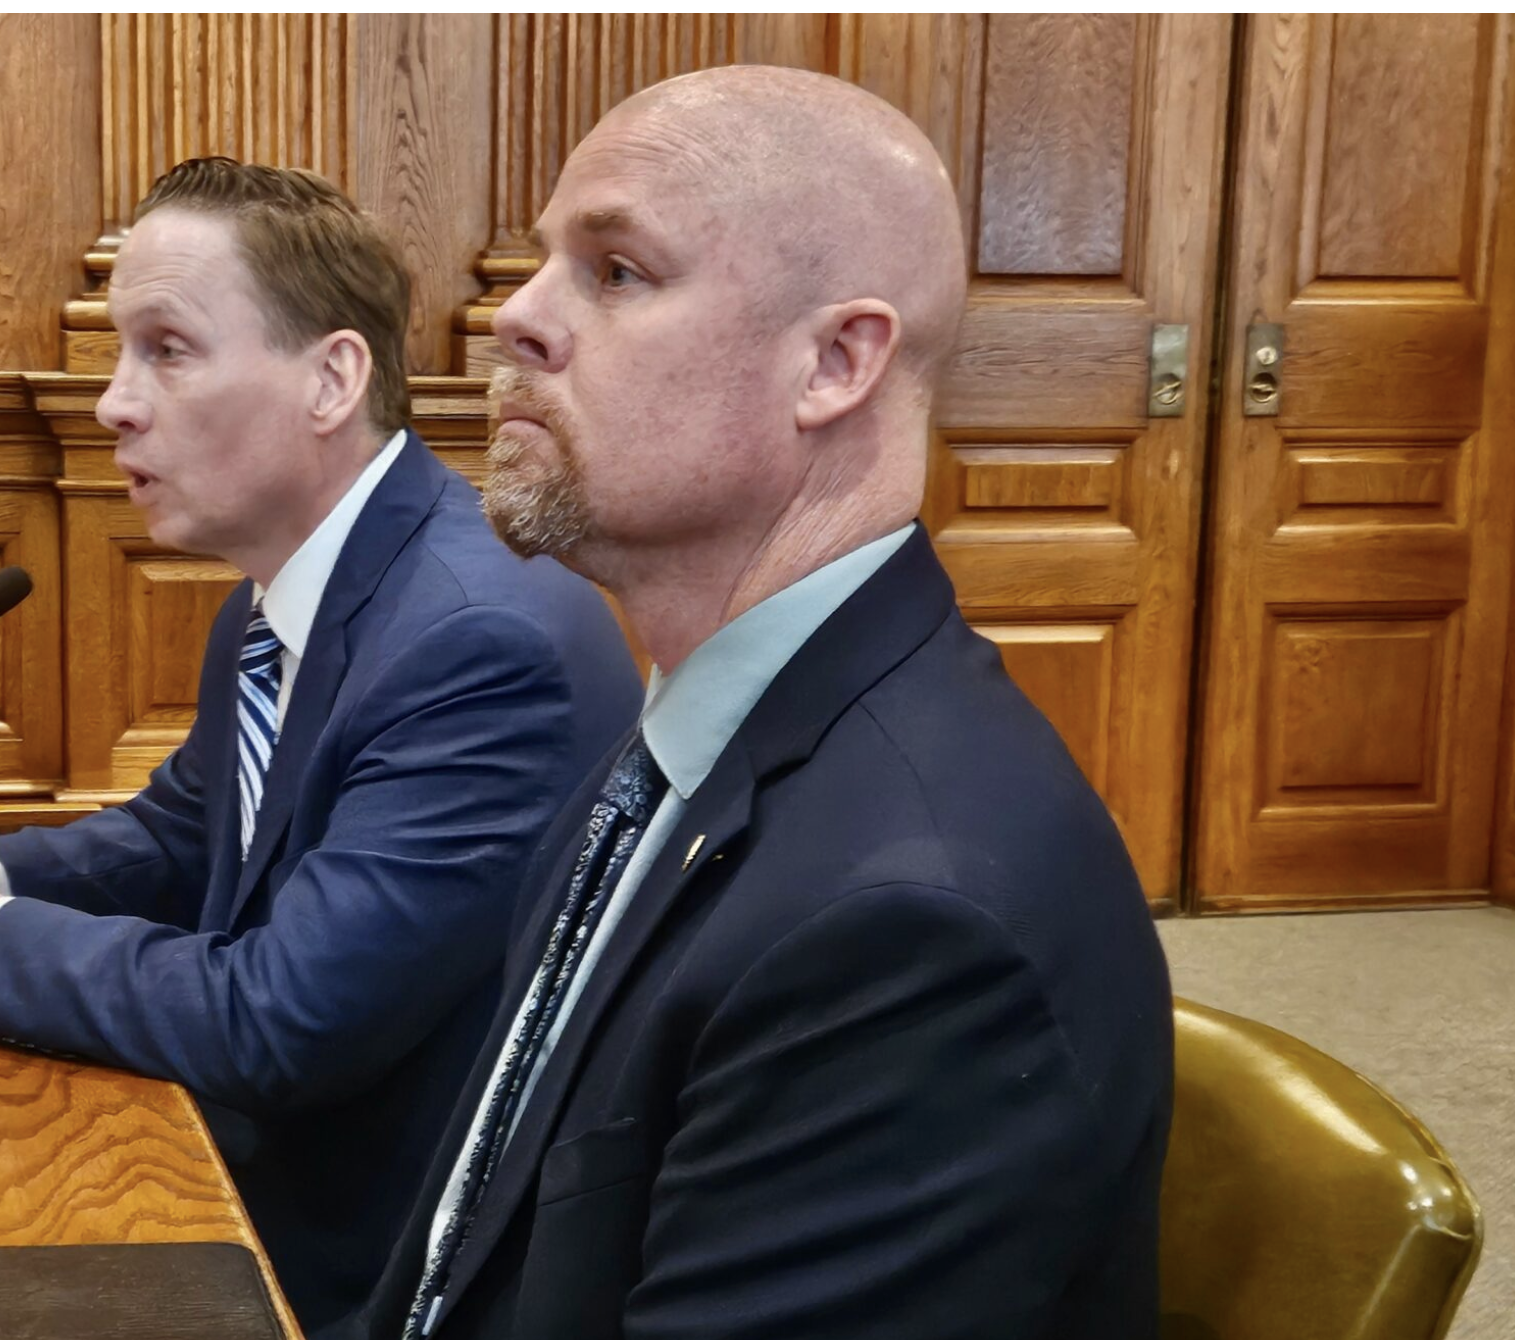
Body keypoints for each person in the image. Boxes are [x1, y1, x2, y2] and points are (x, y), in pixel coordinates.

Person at [339, 67, 1173, 1340]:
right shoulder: (680, 741)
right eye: (544, 260)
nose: (515, 316)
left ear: (834, 361)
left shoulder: (909, 931)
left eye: (615, 271)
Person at [0, 158, 643, 1335]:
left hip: (374, 1264)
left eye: (167, 347)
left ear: (330, 379)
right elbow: (183, 829)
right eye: (117, 351)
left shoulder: (475, 640)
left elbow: (284, 1020)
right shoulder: (292, 595)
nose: (111, 403)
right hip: (261, 1173)